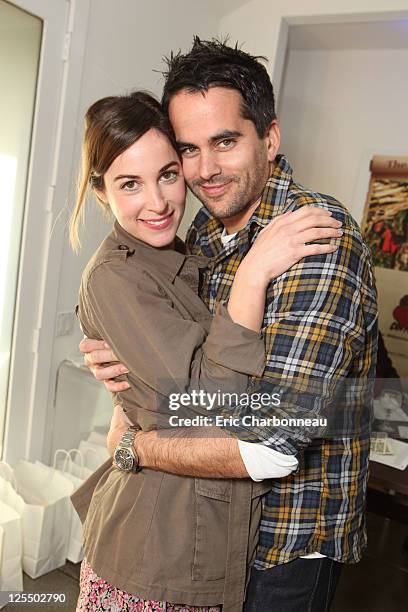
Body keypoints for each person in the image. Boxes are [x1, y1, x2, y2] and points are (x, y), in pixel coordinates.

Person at [81, 39, 378, 611]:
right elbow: (182, 378)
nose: (205, 170)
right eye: (188, 150)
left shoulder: (316, 240)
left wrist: (138, 446)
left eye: (225, 141)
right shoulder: (206, 234)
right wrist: (131, 383)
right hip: (211, 535)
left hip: (286, 544)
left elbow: (274, 437)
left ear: (269, 138)